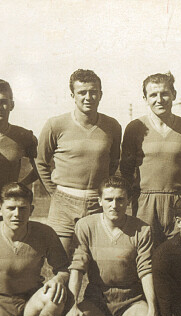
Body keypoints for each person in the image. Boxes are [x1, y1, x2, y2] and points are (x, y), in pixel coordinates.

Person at [64, 176, 159, 316]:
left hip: (131, 301)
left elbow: (146, 270)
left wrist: (152, 308)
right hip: (98, 299)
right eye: (108, 199)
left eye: (120, 199)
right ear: (99, 201)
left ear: (128, 200)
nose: (114, 205)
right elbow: (77, 267)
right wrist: (72, 305)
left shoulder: (142, 230)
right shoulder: (85, 225)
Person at [36, 69, 122, 258]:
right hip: (64, 202)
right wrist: (54, 192)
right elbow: (41, 162)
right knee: (60, 262)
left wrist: (101, 191)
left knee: (98, 262)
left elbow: (113, 161)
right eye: (82, 92)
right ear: (73, 95)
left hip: (97, 202)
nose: (88, 97)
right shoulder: (55, 124)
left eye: (93, 92)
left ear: (101, 94)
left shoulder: (113, 126)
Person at [0, 182, 69, 316]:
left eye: (22, 208)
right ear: (1, 208)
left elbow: (64, 269)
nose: (16, 214)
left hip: (30, 302)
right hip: (1, 304)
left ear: (31, 209)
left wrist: (58, 279)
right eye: (10, 208)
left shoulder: (44, 233)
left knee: (56, 295)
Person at [120, 72, 181, 246]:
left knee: (179, 253)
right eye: (153, 95)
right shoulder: (135, 128)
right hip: (145, 201)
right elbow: (126, 169)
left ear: (174, 95)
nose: (159, 99)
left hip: (178, 199)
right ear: (145, 98)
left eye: (164, 93)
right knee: (146, 253)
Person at [0, 79, 38, 191]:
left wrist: (21, 185)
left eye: (3, 102)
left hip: (8, 204)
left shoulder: (24, 136)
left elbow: (42, 166)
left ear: (12, 105)